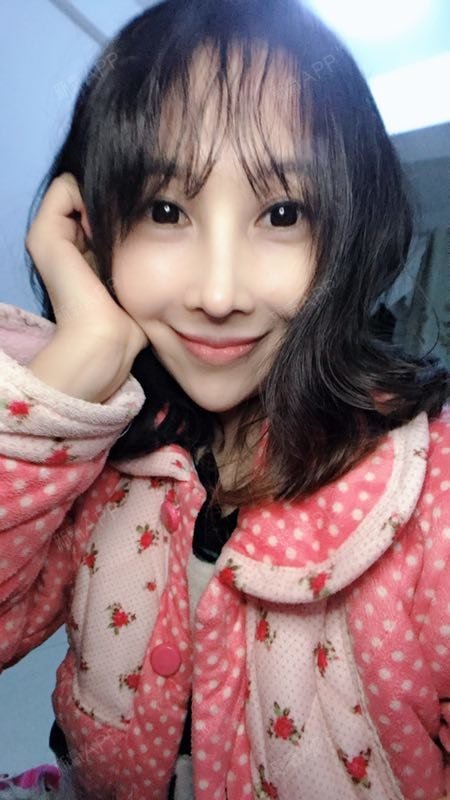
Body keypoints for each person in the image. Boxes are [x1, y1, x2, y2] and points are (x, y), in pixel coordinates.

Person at [0, 0, 448, 798]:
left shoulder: (429, 491)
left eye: (282, 214)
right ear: (94, 227)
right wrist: (74, 371)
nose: (217, 294)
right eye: (166, 211)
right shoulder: (103, 452)